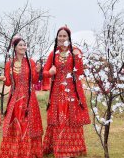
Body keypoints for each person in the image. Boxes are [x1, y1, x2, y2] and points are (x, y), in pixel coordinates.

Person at [43, 26, 91, 157]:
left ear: (69, 38)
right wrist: (50, 72)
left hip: (72, 91)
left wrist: (78, 57)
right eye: (60, 36)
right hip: (57, 92)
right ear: (57, 38)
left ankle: (74, 150)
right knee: (59, 118)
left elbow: (80, 72)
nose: (62, 38)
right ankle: (59, 149)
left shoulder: (75, 51)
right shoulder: (53, 54)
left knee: (71, 117)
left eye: (65, 36)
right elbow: (44, 72)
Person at [0, 37, 43, 157]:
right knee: (16, 122)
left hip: (29, 97)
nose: (23, 47)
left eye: (24, 45)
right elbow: (8, 83)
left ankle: (28, 151)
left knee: (27, 121)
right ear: (15, 48)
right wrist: (4, 79)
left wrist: (37, 71)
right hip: (15, 98)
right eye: (20, 45)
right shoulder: (10, 63)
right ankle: (15, 151)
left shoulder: (30, 62)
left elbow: (33, 80)